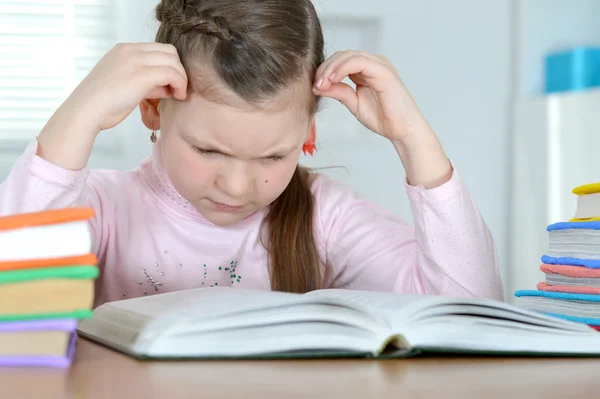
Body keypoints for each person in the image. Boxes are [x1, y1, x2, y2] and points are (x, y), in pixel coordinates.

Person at [0, 0, 503, 306]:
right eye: (208, 149)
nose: (238, 187)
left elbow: (470, 311)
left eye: (272, 158)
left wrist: (412, 137)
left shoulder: (324, 217)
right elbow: (14, 296)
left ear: (308, 132)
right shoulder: (103, 208)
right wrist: (76, 118)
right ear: (152, 108)